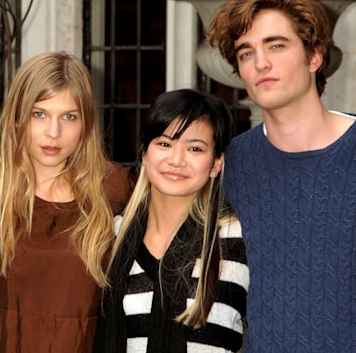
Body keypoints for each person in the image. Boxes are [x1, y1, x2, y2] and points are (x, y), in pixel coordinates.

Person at [207, 0, 356, 351]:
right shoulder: (238, 163)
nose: (261, 63)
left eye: (276, 45)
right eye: (246, 52)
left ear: (315, 56)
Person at [0, 51, 134, 352]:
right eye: (39, 114)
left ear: (86, 123)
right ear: (17, 118)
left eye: (69, 116)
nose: (54, 132)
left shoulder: (116, 191)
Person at [94, 89, 249, 352]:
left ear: (216, 164)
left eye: (195, 148)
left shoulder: (237, 237)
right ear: (145, 153)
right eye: (165, 144)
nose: (176, 160)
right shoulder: (112, 237)